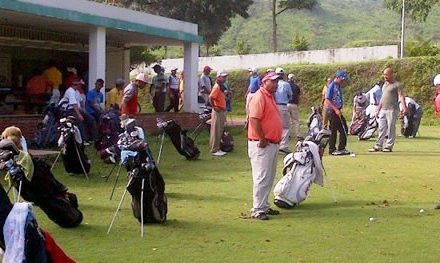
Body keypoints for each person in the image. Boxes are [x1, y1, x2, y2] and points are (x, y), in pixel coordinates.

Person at [247, 71, 282, 220]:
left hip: (271, 143)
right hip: (262, 143)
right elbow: (254, 119)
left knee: (269, 176)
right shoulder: (260, 96)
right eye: (272, 81)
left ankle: (263, 205)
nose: (275, 84)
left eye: (276, 81)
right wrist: (262, 138)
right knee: (261, 176)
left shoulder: (269, 97)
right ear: (264, 82)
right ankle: (257, 209)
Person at [369, 68, 407, 152]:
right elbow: (382, 98)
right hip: (383, 109)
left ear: (391, 74)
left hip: (392, 109)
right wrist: (378, 109)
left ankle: (389, 146)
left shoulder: (397, 85)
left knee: (390, 128)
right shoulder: (384, 85)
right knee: (381, 128)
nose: (385, 76)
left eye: (386, 74)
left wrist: (404, 107)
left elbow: (401, 96)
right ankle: (378, 145)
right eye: (384, 74)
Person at [62, 78, 97, 144]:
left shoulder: (77, 91)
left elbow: (81, 102)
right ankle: (83, 140)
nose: (81, 86)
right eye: (80, 85)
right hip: (70, 110)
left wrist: (84, 111)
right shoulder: (70, 91)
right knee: (80, 121)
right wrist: (79, 115)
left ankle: (94, 138)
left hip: (79, 109)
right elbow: (74, 104)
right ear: (76, 85)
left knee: (91, 119)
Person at [325, 70, 350, 155]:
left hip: (338, 110)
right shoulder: (332, 86)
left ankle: (341, 148)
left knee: (344, 129)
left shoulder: (338, 86)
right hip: (333, 111)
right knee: (333, 130)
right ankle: (332, 149)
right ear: (337, 77)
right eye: (342, 79)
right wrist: (335, 109)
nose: (343, 81)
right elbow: (327, 100)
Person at [209, 70, 228, 156]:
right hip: (218, 110)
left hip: (221, 110)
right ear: (218, 77)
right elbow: (211, 97)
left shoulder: (221, 87)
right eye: (223, 77)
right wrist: (214, 107)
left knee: (219, 130)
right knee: (216, 130)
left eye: (225, 77)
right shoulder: (217, 87)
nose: (224, 78)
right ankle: (214, 149)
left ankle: (217, 148)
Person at [274, 67, 292, 154]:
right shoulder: (286, 84)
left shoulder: (274, 84)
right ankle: (283, 145)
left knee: (276, 125)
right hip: (283, 106)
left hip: (274, 106)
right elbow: (290, 95)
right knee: (286, 127)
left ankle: (275, 143)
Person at [287, 73, 302, 140]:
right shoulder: (296, 86)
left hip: (287, 103)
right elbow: (298, 96)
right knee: (296, 120)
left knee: (288, 120)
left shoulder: (286, 85)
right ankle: (298, 135)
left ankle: (288, 135)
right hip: (294, 104)